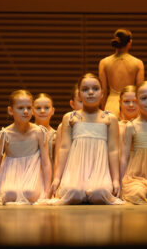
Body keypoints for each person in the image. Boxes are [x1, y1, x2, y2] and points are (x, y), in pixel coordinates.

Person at [47, 73, 123, 205]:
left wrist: (116, 179)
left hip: (100, 170)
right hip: (75, 170)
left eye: (95, 89)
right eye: (85, 89)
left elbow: (113, 150)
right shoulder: (70, 117)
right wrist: (57, 177)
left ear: (102, 93)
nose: (90, 92)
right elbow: (64, 148)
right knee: (74, 192)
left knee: (99, 193)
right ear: (80, 94)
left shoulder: (109, 118)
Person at [0, 90, 51, 206]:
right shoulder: (4, 135)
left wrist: (47, 192)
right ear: (10, 110)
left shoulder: (39, 132)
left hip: (32, 175)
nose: (25, 111)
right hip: (11, 175)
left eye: (28, 107)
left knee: (29, 192)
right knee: (9, 194)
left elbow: (46, 163)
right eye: (20, 108)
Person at [99, 29, 145, 118]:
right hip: (131, 105)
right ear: (130, 42)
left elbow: (103, 91)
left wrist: (103, 109)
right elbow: (140, 92)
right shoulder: (138, 63)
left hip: (111, 105)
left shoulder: (104, 63)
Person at [32, 93, 57, 165]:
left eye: (46, 108)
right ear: (32, 111)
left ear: (52, 111)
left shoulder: (56, 135)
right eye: (38, 108)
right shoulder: (25, 132)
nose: (42, 111)